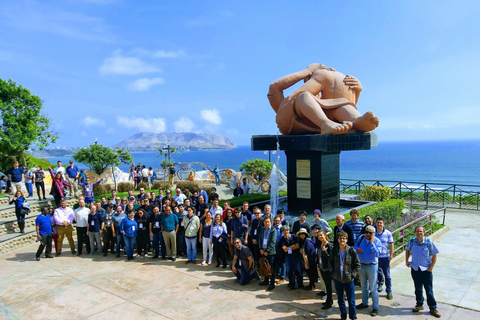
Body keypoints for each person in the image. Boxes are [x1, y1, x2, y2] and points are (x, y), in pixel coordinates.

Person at [267, 63, 379, 135]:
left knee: (339, 105)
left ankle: (356, 121)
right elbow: (274, 87)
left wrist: (357, 90)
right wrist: (307, 72)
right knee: (303, 96)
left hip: (332, 125)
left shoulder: (322, 102)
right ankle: (325, 124)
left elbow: (345, 107)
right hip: (297, 126)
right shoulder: (288, 106)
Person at [406, 226, 441, 318]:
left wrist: (431, 268)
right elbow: (407, 250)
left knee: (429, 290)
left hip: (426, 270)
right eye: (417, 231)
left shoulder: (428, 243)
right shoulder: (412, 242)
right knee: (418, 289)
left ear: (424, 232)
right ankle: (419, 304)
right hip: (415, 269)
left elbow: (434, 256)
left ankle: (433, 308)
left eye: (421, 231)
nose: (419, 233)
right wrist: (407, 260)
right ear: (415, 232)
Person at [330, 231, 361, 320]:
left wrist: (353, 275)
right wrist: (333, 272)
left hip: (348, 279)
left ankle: (353, 316)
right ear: (338, 239)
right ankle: (343, 316)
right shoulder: (334, 250)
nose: (342, 240)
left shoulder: (351, 251)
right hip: (337, 278)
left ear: (346, 240)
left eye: (344, 238)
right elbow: (330, 262)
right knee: (340, 300)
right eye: (340, 238)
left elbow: (357, 264)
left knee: (351, 300)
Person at [354, 225, 382, 317]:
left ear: (374, 234)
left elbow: (377, 254)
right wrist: (357, 249)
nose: (368, 234)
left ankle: (375, 307)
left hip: (372, 266)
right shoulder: (361, 238)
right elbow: (355, 246)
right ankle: (364, 302)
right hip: (362, 265)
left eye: (370, 233)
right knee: (363, 286)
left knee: (373, 288)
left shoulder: (377, 241)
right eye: (367, 232)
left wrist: (372, 244)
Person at [375, 217, 394, 299]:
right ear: (376, 224)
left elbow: (391, 244)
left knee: (387, 275)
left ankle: (389, 291)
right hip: (375, 258)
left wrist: (391, 255)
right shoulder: (373, 233)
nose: (379, 224)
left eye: (381, 222)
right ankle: (374, 291)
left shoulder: (388, 233)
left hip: (385, 257)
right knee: (374, 275)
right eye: (378, 222)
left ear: (383, 224)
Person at [257, 216, 277, 291]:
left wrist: (267, 251)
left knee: (271, 267)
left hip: (270, 252)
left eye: (268, 222)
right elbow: (259, 239)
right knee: (264, 265)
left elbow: (273, 242)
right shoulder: (262, 229)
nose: (267, 223)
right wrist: (261, 249)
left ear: (271, 222)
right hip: (263, 250)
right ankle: (266, 280)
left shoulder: (273, 230)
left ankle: (272, 283)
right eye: (265, 222)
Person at [317, 230, 334, 310]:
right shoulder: (320, 244)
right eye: (318, 235)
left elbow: (331, 258)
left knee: (328, 286)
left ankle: (329, 302)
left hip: (327, 269)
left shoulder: (328, 245)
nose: (320, 237)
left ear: (325, 235)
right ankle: (328, 300)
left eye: (321, 235)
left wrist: (325, 252)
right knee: (326, 285)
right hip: (322, 268)